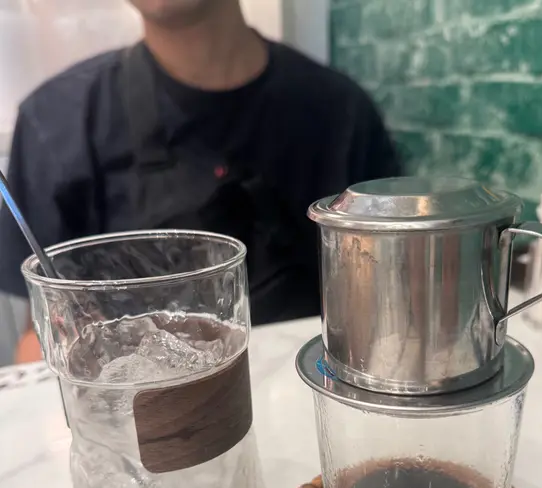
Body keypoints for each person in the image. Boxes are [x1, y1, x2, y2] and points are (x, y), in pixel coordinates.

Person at [0, 0, 399, 363]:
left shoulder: (344, 114)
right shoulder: (54, 123)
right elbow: (44, 335)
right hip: (133, 409)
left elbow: (386, 312)